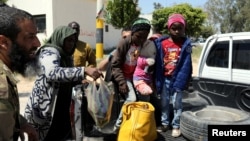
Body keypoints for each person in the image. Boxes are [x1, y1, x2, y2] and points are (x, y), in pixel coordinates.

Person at [24, 26, 103, 140]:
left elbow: (68, 77)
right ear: (60, 38)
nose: (71, 44)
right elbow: (52, 73)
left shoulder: (66, 56)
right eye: (68, 40)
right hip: (46, 109)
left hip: (62, 107)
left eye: (73, 40)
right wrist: (83, 70)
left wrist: (85, 82)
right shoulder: (50, 51)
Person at [0, 3, 40, 141]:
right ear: (3, 42)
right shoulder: (1, 85)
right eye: (30, 37)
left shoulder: (6, 73)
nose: (37, 43)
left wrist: (21, 123)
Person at [154, 13, 192, 137]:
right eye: (173, 28)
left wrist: (187, 79)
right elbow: (157, 60)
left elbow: (188, 63)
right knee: (164, 102)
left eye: (180, 28)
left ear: (184, 28)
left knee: (177, 103)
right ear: (168, 28)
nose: (176, 31)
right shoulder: (162, 43)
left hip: (178, 78)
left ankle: (176, 125)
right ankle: (165, 123)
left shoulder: (185, 44)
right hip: (164, 78)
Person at [111, 17, 151, 132]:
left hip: (136, 76)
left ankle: (139, 124)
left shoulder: (144, 44)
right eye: (139, 36)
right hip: (125, 76)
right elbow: (116, 65)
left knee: (145, 97)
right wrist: (122, 83)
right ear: (132, 33)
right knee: (132, 99)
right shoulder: (124, 43)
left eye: (145, 37)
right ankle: (118, 126)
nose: (141, 40)